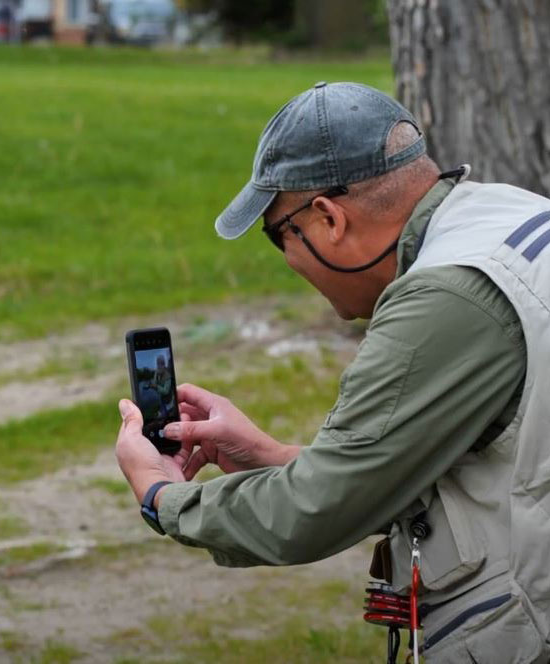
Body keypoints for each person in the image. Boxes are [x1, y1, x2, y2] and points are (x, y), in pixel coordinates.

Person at [115, 82, 550, 663]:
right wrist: (272, 455)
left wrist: (161, 497)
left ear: (327, 218)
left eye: (277, 236)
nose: (289, 260)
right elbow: (410, 463)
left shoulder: (446, 298)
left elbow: (312, 512)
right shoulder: (510, 215)